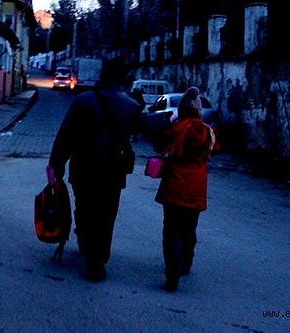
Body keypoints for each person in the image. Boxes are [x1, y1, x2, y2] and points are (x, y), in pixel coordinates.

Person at [48, 60, 142, 282]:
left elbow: (66, 135)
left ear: (101, 75)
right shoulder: (131, 106)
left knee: (85, 208)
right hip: (113, 169)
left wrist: (56, 165)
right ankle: (98, 259)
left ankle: (86, 245)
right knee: (107, 214)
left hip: (84, 166)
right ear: (121, 79)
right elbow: (139, 131)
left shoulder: (83, 101)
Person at [152, 86, 219, 292]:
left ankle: (172, 274)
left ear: (182, 110)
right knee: (189, 228)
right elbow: (214, 151)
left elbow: (158, 146)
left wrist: (165, 125)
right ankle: (186, 263)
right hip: (196, 187)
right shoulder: (208, 131)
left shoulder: (178, 128)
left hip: (175, 185)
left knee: (171, 230)